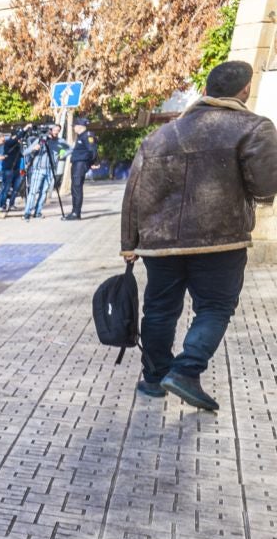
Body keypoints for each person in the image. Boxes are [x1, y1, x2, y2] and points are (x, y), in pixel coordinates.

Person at [122, 60, 277, 412]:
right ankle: (186, 371)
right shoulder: (253, 127)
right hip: (220, 239)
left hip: (159, 243)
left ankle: (154, 379)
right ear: (244, 91)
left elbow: (134, 191)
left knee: (160, 309)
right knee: (216, 307)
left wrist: (128, 244)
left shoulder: (159, 135)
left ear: (205, 91)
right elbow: (266, 185)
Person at [22, 124, 60, 220]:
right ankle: (27, 212)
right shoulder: (41, 140)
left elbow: (65, 151)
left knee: (44, 192)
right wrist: (34, 148)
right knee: (33, 192)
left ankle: (38, 212)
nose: (56, 132)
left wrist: (60, 154)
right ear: (50, 130)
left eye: (58, 130)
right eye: (54, 130)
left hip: (50, 169)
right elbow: (25, 152)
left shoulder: (59, 142)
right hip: (39, 169)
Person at [68, 127, 95, 219]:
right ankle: (74, 211)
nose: (73, 127)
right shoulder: (80, 136)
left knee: (77, 188)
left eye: (75, 125)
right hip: (77, 163)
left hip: (80, 164)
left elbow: (92, 150)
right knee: (74, 188)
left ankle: (76, 213)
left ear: (80, 126)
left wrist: (92, 163)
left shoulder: (87, 136)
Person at [0, 130, 23, 213]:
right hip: (8, 169)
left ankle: (11, 204)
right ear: (12, 136)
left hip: (16, 169)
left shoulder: (18, 145)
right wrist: (24, 130)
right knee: (6, 188)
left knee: (15, 189)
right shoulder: (8, 143)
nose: (19, 139)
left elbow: (21, 155)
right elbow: (14, 140)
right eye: (17, 137)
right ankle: (1, 205)